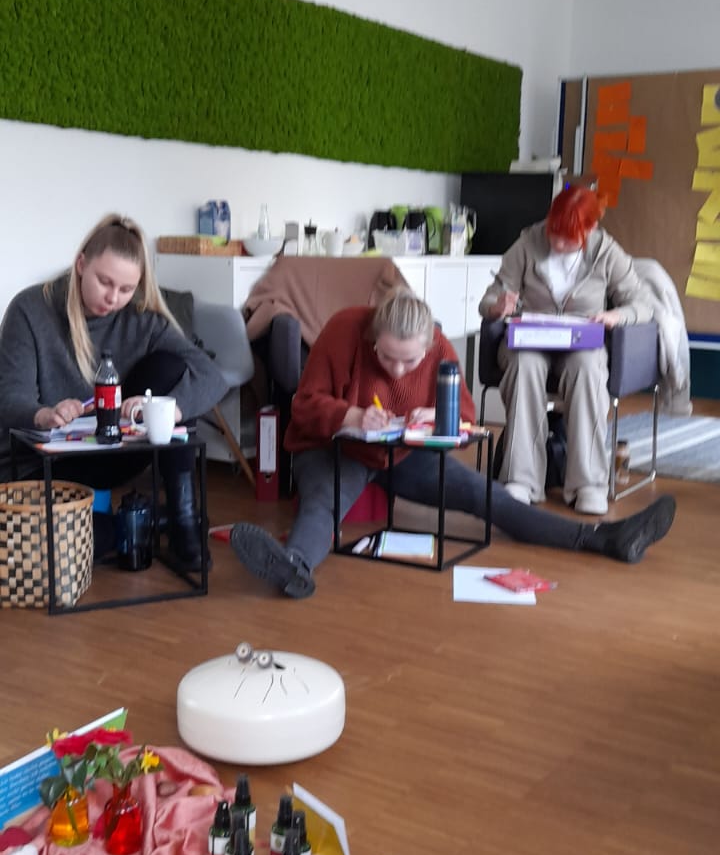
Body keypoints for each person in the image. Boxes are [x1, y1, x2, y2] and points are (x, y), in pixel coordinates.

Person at [230, 288, 675, 599]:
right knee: (321, 506)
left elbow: (465, 415)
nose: (397, 370)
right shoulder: (344, 329)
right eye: (386, 357)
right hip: (333, 448)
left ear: (429, 345)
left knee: (488, 496)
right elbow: (304, 405)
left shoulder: (441, 348)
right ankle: (294, 568)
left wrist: (435, 416)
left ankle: (602, 539)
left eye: (409, 360)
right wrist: (351, 415)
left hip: (401, 453)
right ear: (372, 338)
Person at [0, 213, 226, 566]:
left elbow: (211, 375)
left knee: (170, 368)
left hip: (104, 450)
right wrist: (44, 414)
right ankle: (138, 524)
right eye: (104, 282)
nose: (113, 298)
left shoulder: (142, 318)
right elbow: (9, 398)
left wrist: (169, 410)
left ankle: (184, 522)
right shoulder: (30, 309)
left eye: (126, 289)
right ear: (80, 265)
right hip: (40, 463)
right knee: (67, 543)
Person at [478, 183, 652, 514]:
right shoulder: (527, 243)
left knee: (588, 368)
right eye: (554, 233)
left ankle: (588, 484)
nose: (558, 244)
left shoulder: (607, 252)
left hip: (581, 345)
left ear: (591, 228)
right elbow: (490, 297)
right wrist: (497, 305)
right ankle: (520, 479)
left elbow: (643, 303)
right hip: (529, 342)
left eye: (569, 239)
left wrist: (616, 316)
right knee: (525, 365)